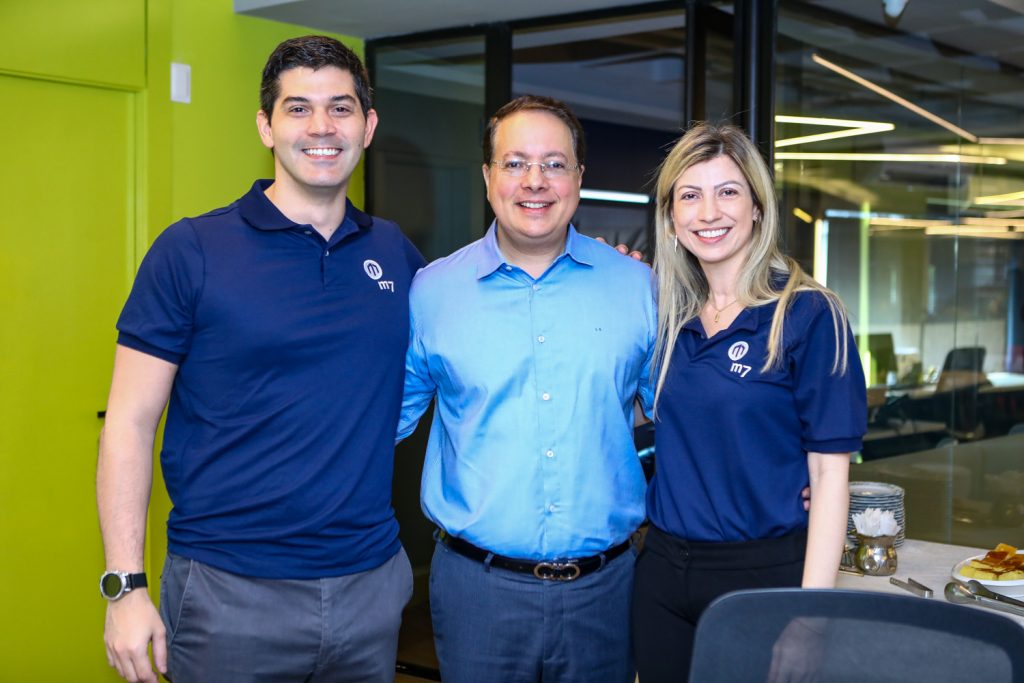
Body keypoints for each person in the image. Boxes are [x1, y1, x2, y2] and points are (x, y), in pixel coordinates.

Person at [97, 35, 424, 683]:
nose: (322, 127)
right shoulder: (192, 249)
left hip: (368, 587)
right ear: (266, 127)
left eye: (341, 107)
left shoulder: (395, 254)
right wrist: (124, 586)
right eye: (298, 108)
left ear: (368, 124)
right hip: (228, 591)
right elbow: (129, 421)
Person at [397, 95, 656, 683]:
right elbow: (377, 421)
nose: (534, 181)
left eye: (554, 164)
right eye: (514, 163)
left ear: (579, 178)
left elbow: (684, 416)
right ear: (488, 178)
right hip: (477, 594)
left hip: (607, 592)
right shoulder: (431, 294)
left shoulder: (638, 288)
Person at [630, 122, 867, 682]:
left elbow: (831, 479)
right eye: (690, 195)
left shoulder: (809, 315)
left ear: (758, 207)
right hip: (662, 570)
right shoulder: (668, 316)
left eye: (728, 191)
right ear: (670, 217)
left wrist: (812, 619)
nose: (708, 211)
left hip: (760, 577)